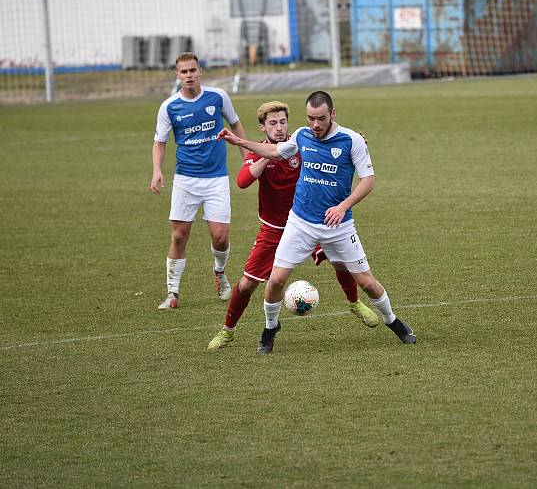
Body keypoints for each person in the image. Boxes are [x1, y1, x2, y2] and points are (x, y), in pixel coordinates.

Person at [218, 91, 416, 353]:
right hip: (300, 223)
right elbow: (274, 151)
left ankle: (393, 322)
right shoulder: (302, 136)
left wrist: (343, 206)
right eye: (310, 118)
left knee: (367, 282)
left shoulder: (352, 140)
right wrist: (238, 141)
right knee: (276, 281)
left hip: (340, 225)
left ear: (332, 114)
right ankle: (269, 329)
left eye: (320, 118)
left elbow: (368, 181)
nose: (315, 124)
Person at [150, 52, 248, 309]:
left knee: (220, 237)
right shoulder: (169, 106)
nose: (189, 75)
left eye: (193, 70)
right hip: (185, 179)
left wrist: (246, 156)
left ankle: (219, 273)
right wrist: (157, 170)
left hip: (216, 178)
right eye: (184, 72)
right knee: (179, 236)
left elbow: (236, 125)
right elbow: (159, 142)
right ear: (177, 75)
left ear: (200, 71)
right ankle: (172, 293)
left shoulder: (218, 97)